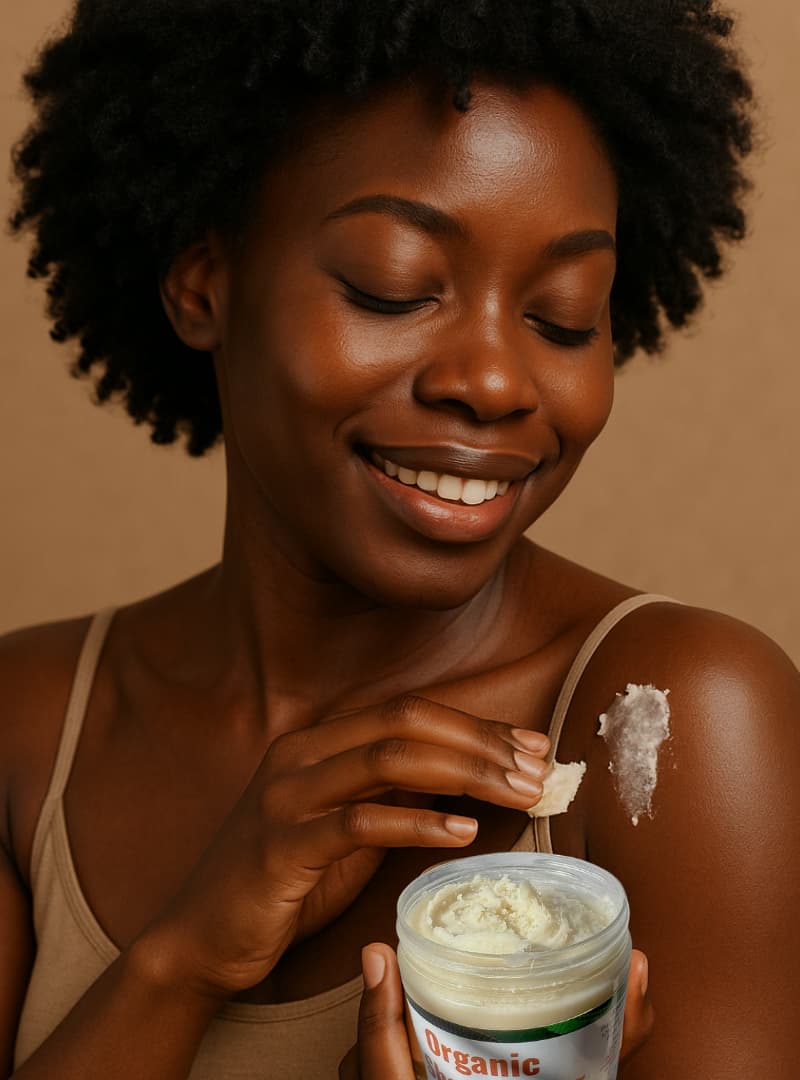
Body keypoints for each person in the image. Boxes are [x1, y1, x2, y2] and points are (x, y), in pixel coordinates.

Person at [2, 1, 798, 1076]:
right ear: (203, 281)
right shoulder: (29, 726)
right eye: (391, 287)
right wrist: (178, 963)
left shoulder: (666, 722)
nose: (492, 381)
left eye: (563, 315)